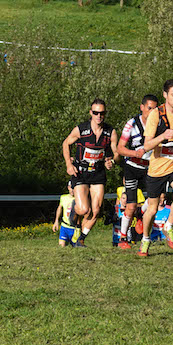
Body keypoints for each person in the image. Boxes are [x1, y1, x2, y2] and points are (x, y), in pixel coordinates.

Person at [137, 79, 173, 257]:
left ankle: (168, 226)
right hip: (158, 168)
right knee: (152, 209)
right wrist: (162, 136)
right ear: (165, 95)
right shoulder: (156, 115)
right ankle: (145, 239)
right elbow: (146, 145)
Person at [61, 98, 119, 247]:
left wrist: (112, 161)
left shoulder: (110, 132)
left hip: (98, 173)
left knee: (96, 210)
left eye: (102, 113)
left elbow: (116, 153)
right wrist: (68, 164)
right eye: (95, 113)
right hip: (80, 172)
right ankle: (75, 211)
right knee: (84, 209)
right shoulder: (81, 130)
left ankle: (80, 239)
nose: (99, 116)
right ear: (90, 113)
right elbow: (66, 143)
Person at [115, 94, 159, 249]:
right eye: (149, 108)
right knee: (131, 205)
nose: (152, 112)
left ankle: (141, 214)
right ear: (142, 107)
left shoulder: (159, 124)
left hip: (150, 168)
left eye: (155, 109)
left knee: (157, 198)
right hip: (132, 167)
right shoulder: (132, 124)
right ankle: (122, 238)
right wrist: (135, 153)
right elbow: (120, 149)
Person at [52, 181, 78, 247]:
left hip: (75, 228)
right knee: (61, 246)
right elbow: (59, 208)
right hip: (64, 227)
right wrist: (56, 221)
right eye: (71, 187)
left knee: (76, 248)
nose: (72, 190)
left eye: (74, 188)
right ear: (68, 187)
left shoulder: (79, 199)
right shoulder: (63, 197)